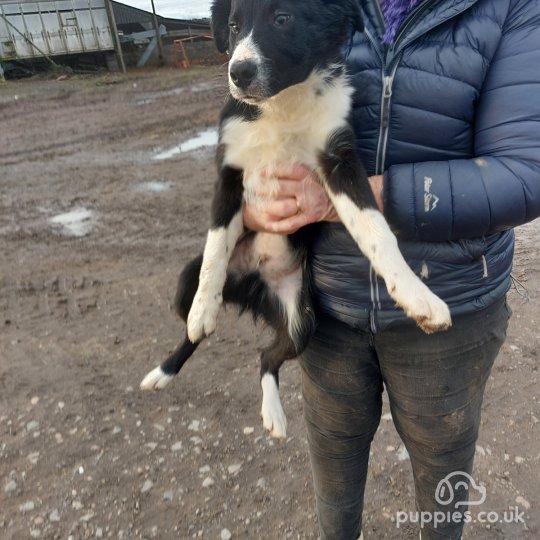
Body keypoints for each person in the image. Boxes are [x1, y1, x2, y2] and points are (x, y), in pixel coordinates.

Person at [243, 1, 540, 539]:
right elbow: (266, 118)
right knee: (333, 475)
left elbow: (524, 173)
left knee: (441, 476)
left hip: (448, 308)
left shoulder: (514, 9)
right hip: (328, 299)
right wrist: (259, 196)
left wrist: (350, 200)